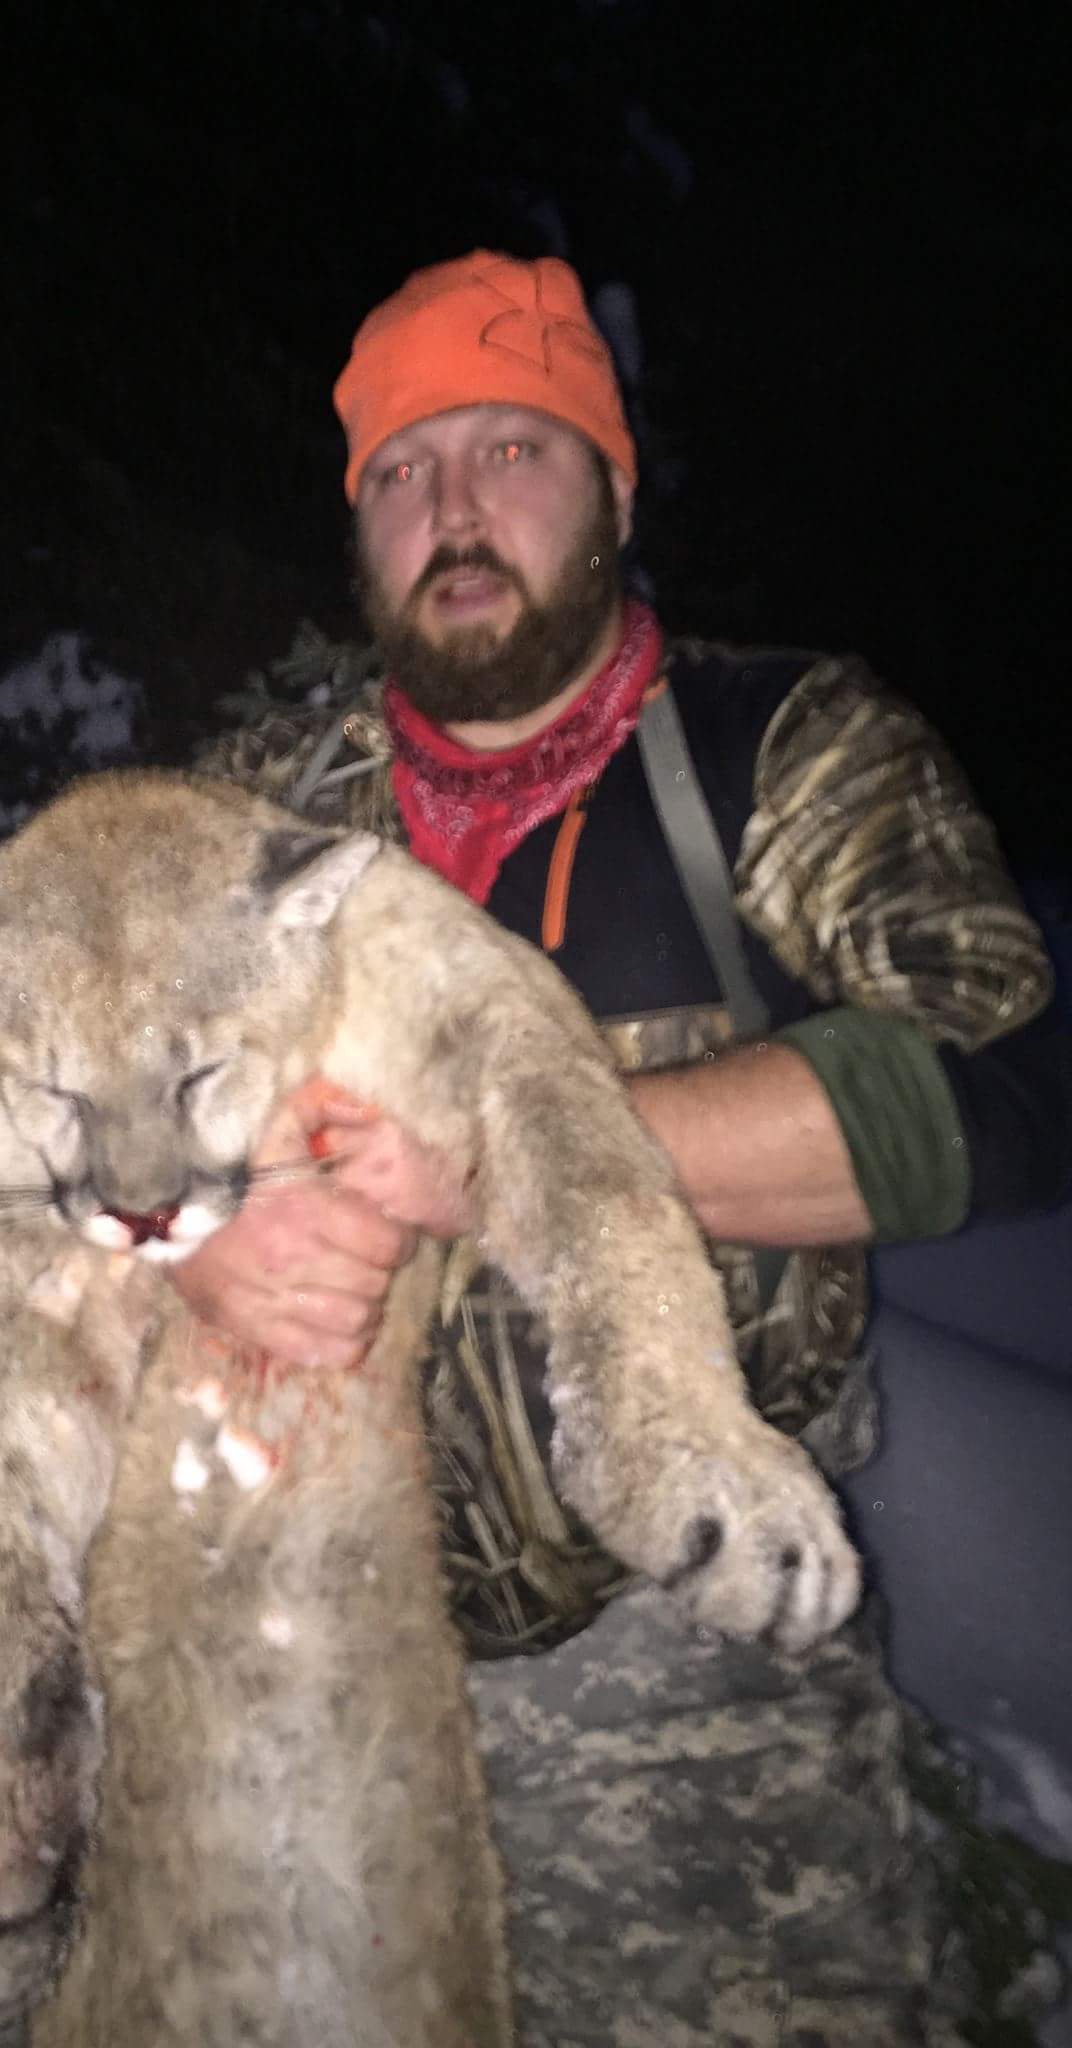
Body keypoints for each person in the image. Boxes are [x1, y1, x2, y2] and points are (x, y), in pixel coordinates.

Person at [175, 250, 1072, 2044]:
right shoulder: (259, 805)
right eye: (404, 473)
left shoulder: (782, 750)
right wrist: (202, 1245)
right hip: (315, 1628)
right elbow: (86, 1107)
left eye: (514, 449)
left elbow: (1011, 1084)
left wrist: (520, 1149)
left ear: (610, 488)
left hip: (681, 1654)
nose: (456, 510)